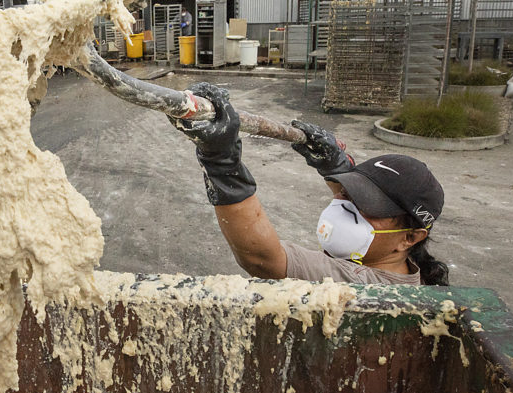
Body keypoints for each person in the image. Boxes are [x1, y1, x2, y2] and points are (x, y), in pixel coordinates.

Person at [171, 83, 448, 286]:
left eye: (367, 205)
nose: (345, 207)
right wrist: (335, 166)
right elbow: (352, 195)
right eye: (349, 193)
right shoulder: (402, 265)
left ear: (410, 237)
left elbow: (261, 258)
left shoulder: (366, 285)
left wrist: (221, 163)